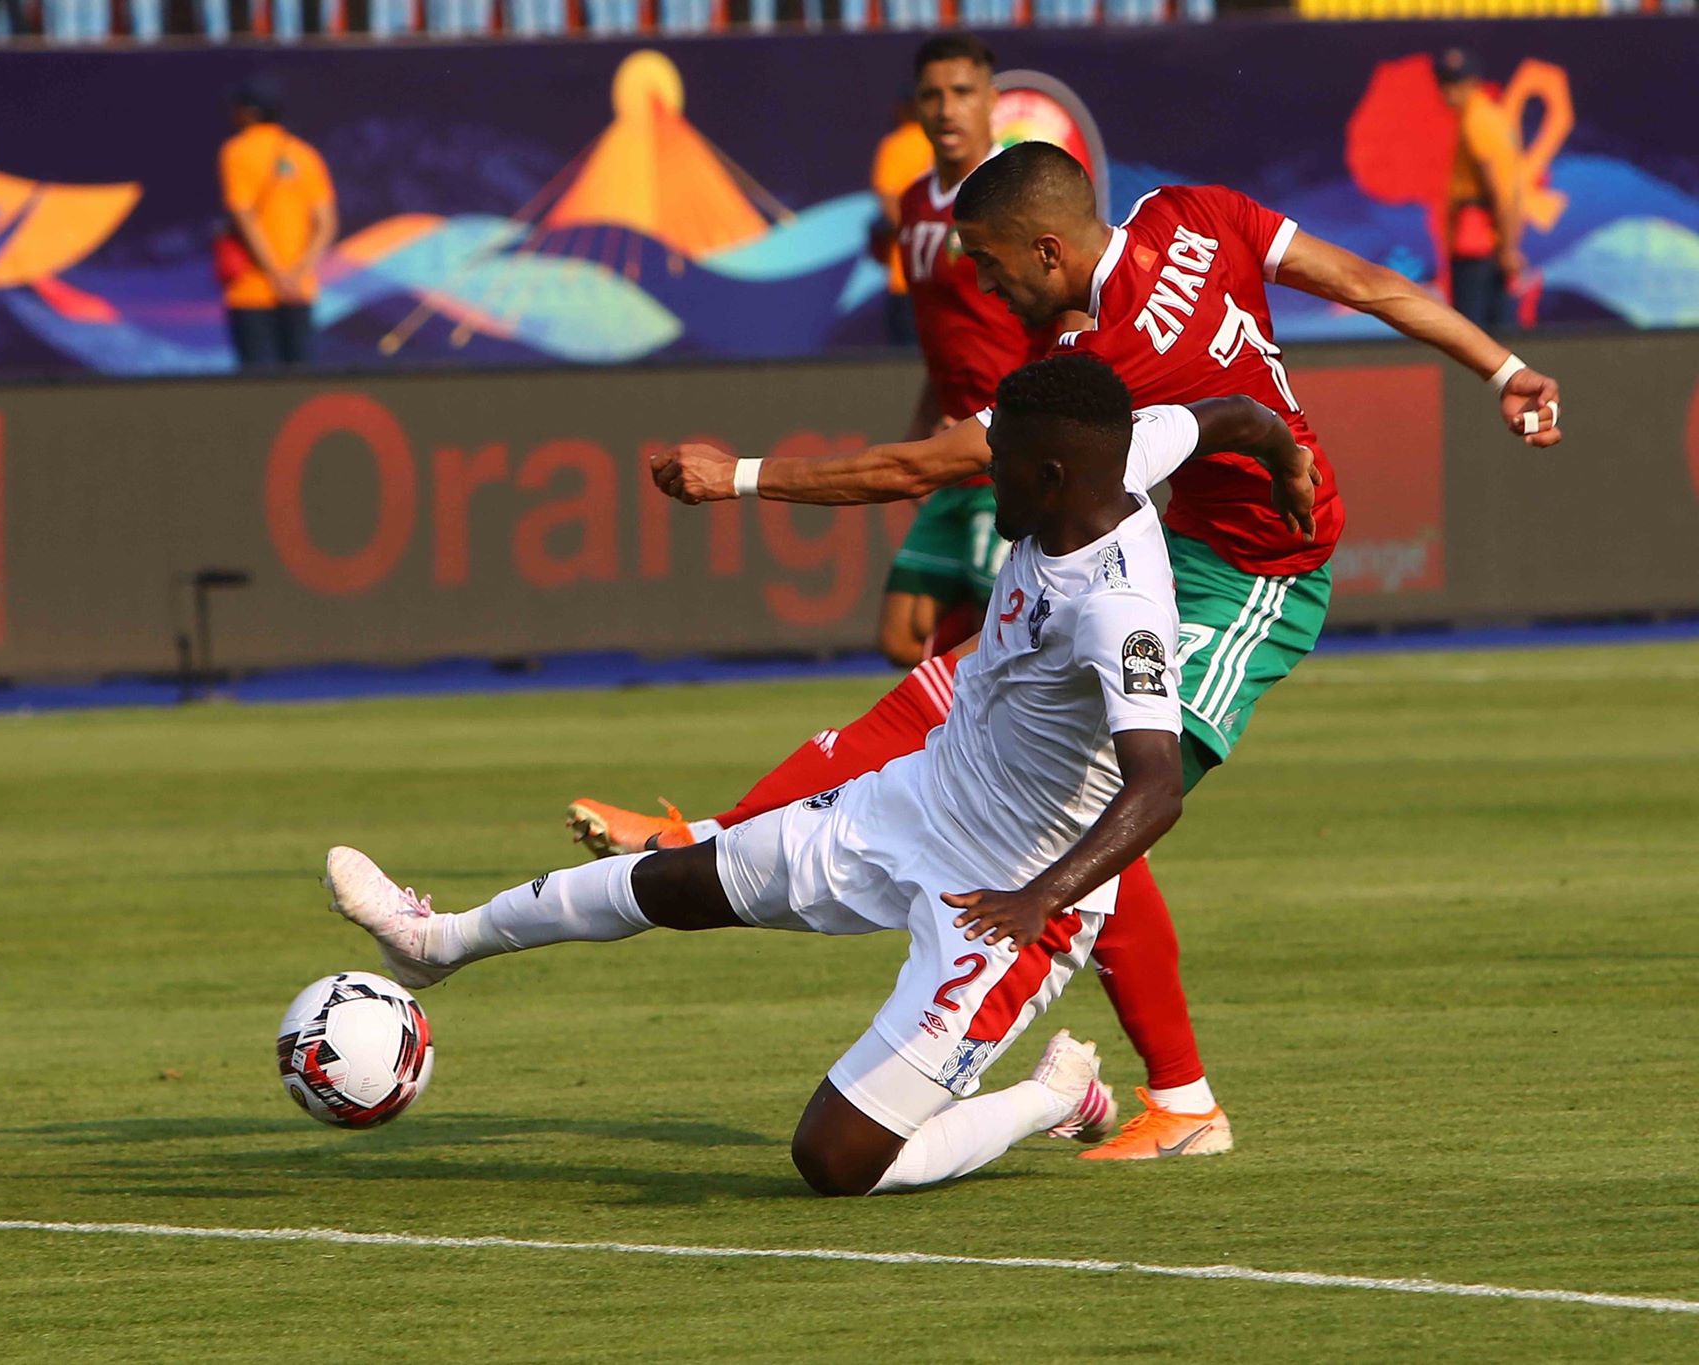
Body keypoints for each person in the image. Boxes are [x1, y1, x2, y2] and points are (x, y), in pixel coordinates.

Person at [572, 143, 1563, 1159]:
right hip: (1174, 542)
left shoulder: (1100, 368)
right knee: (948, 693)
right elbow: (1361, 281)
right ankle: (709, 833)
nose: (984, 285)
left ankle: (1171, 1101)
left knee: (1098, 817)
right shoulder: (1193, 211)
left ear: (1046, 250)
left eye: (990, 263)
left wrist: (737, 476)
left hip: (1257, 581)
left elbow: (913, 468)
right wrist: (1504, 367)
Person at [327, 358, 1314, 1197]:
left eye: (997, 459)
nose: (981, 474)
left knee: (833, 1161)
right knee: (679, 881)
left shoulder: (1119, 609)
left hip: (1009, 902)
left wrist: (1039, 898)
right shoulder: (1123, 449)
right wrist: (1288, 468)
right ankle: (434, 943)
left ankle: (1047, 1096)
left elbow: (1155, 787)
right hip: (916, 801)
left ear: (1052, 474)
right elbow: (1236, 415)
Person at [874, 34, 1073, 667]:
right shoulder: (914, 204)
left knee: (1012, 630)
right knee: (902, 635)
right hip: (953, 449)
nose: (946, 109)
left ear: (991, 100)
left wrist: (1043, 422)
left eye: (961, 93)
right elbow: (944, 335)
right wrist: (919, 433)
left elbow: (1069, 313)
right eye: (932, 96)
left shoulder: (1020, 195)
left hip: (1010, 445)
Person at [218, 77, 335, 370]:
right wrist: (297, 274)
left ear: (249, 112)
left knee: (259, 386)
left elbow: (244, 218)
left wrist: (276, 275)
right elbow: (326, 224)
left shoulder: (237, 151)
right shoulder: (304, 154)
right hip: (298, 289)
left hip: (252, 289)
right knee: (301, 384)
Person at [1435, 48, 1524, 333]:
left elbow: (1499, 191)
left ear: (1473, 82)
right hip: (1491, 240)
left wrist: (1508, 249)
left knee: (1470, 333)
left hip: (1478, 240)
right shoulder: (1491, 116)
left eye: (1457, 83)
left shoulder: (1477, 121)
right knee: (1496, 331)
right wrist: (1508, 245)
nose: (1449, 91)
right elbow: (1511, 190)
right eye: (1445, 83)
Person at [868, 85, 933, 349]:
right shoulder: (941, 145)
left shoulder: (895, 145)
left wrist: (911, 233)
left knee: (906, 362)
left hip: (906, 275)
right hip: (940, 274)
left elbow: (889, 205)